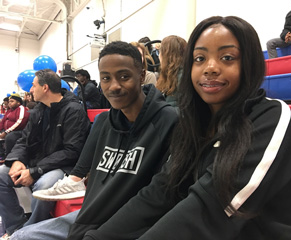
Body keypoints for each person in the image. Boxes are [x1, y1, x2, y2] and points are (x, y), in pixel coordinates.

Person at [80, 16, 291, 240]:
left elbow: (212, 209)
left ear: (249, 64)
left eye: (227, 57)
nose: (210, 68)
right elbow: (160, 192)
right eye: (199, 58)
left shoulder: (271, 117)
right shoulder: (191, 125)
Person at [9, 41, 178, 240]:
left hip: (129, 225)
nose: (114, 86)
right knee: (20, 237)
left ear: (141, 76)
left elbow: (158, 198)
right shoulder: (105, 121)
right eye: (106, 78)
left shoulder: (169, 121)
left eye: (124, 76)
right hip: (91, 216)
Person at [0, 69, 91, 239]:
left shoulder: (73, 110)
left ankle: (31, 231)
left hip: (62, 165)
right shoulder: (38, 111)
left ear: (45, 88)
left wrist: (35, 171)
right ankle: (15, 227)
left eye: (33, 86)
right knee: (1, 175)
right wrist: (17, 160)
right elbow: (24, 141)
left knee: (43, 186)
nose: (30, 90)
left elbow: (72, 151)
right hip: (39, 162)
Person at [156, 35, 187, 107]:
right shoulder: (170, 74)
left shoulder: (182, 78)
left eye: (160, 52)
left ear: (166, 55)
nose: (158, 56)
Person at [0, 93, 30, 161]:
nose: (9, 103)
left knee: (10, 137)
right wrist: (1, 130)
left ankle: (9, 158)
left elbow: (20, 122)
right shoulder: (9, 111)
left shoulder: (21, 109)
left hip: (19, 131)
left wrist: (6, 132)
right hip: (8, 131)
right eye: (9, 101)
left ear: (18, 102)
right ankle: (2, 155)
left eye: (12, 101)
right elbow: (3, 121)